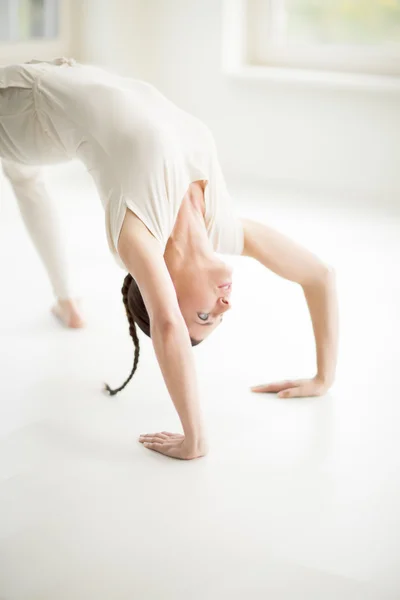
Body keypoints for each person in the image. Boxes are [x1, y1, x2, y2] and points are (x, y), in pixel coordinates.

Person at [0, 58, 338, 460]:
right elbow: (319, 275)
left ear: (167, 288)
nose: (225, 304)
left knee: (24, 177)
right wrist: (323, 377)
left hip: (19, 106)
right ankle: (66, 302)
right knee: (26, 179)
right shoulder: (221, 225)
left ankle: (66, 301)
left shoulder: (137, 234)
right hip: (57, 79)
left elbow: (166, 324)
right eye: (219, 316)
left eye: (204, 316)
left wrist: (193, 440)